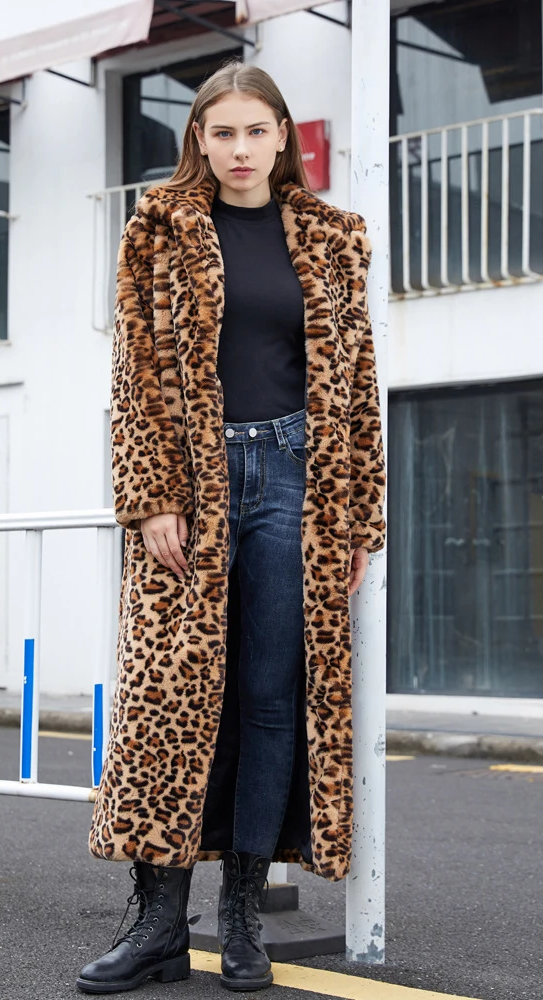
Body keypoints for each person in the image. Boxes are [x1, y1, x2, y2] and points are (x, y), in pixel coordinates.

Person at [77, 61, 385, 995]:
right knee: (172, 699)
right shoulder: (159, 231)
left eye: (257, 132)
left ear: (283, 137)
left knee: (267, 694)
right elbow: (135, 377)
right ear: (198, 142)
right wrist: (152, 494)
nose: (240, 150)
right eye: (222, 134)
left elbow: (357, 390)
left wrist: (360, 517)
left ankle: (244, 917)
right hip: (193, 486)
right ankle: (160, 922)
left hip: (294, 481)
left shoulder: (334, 242)